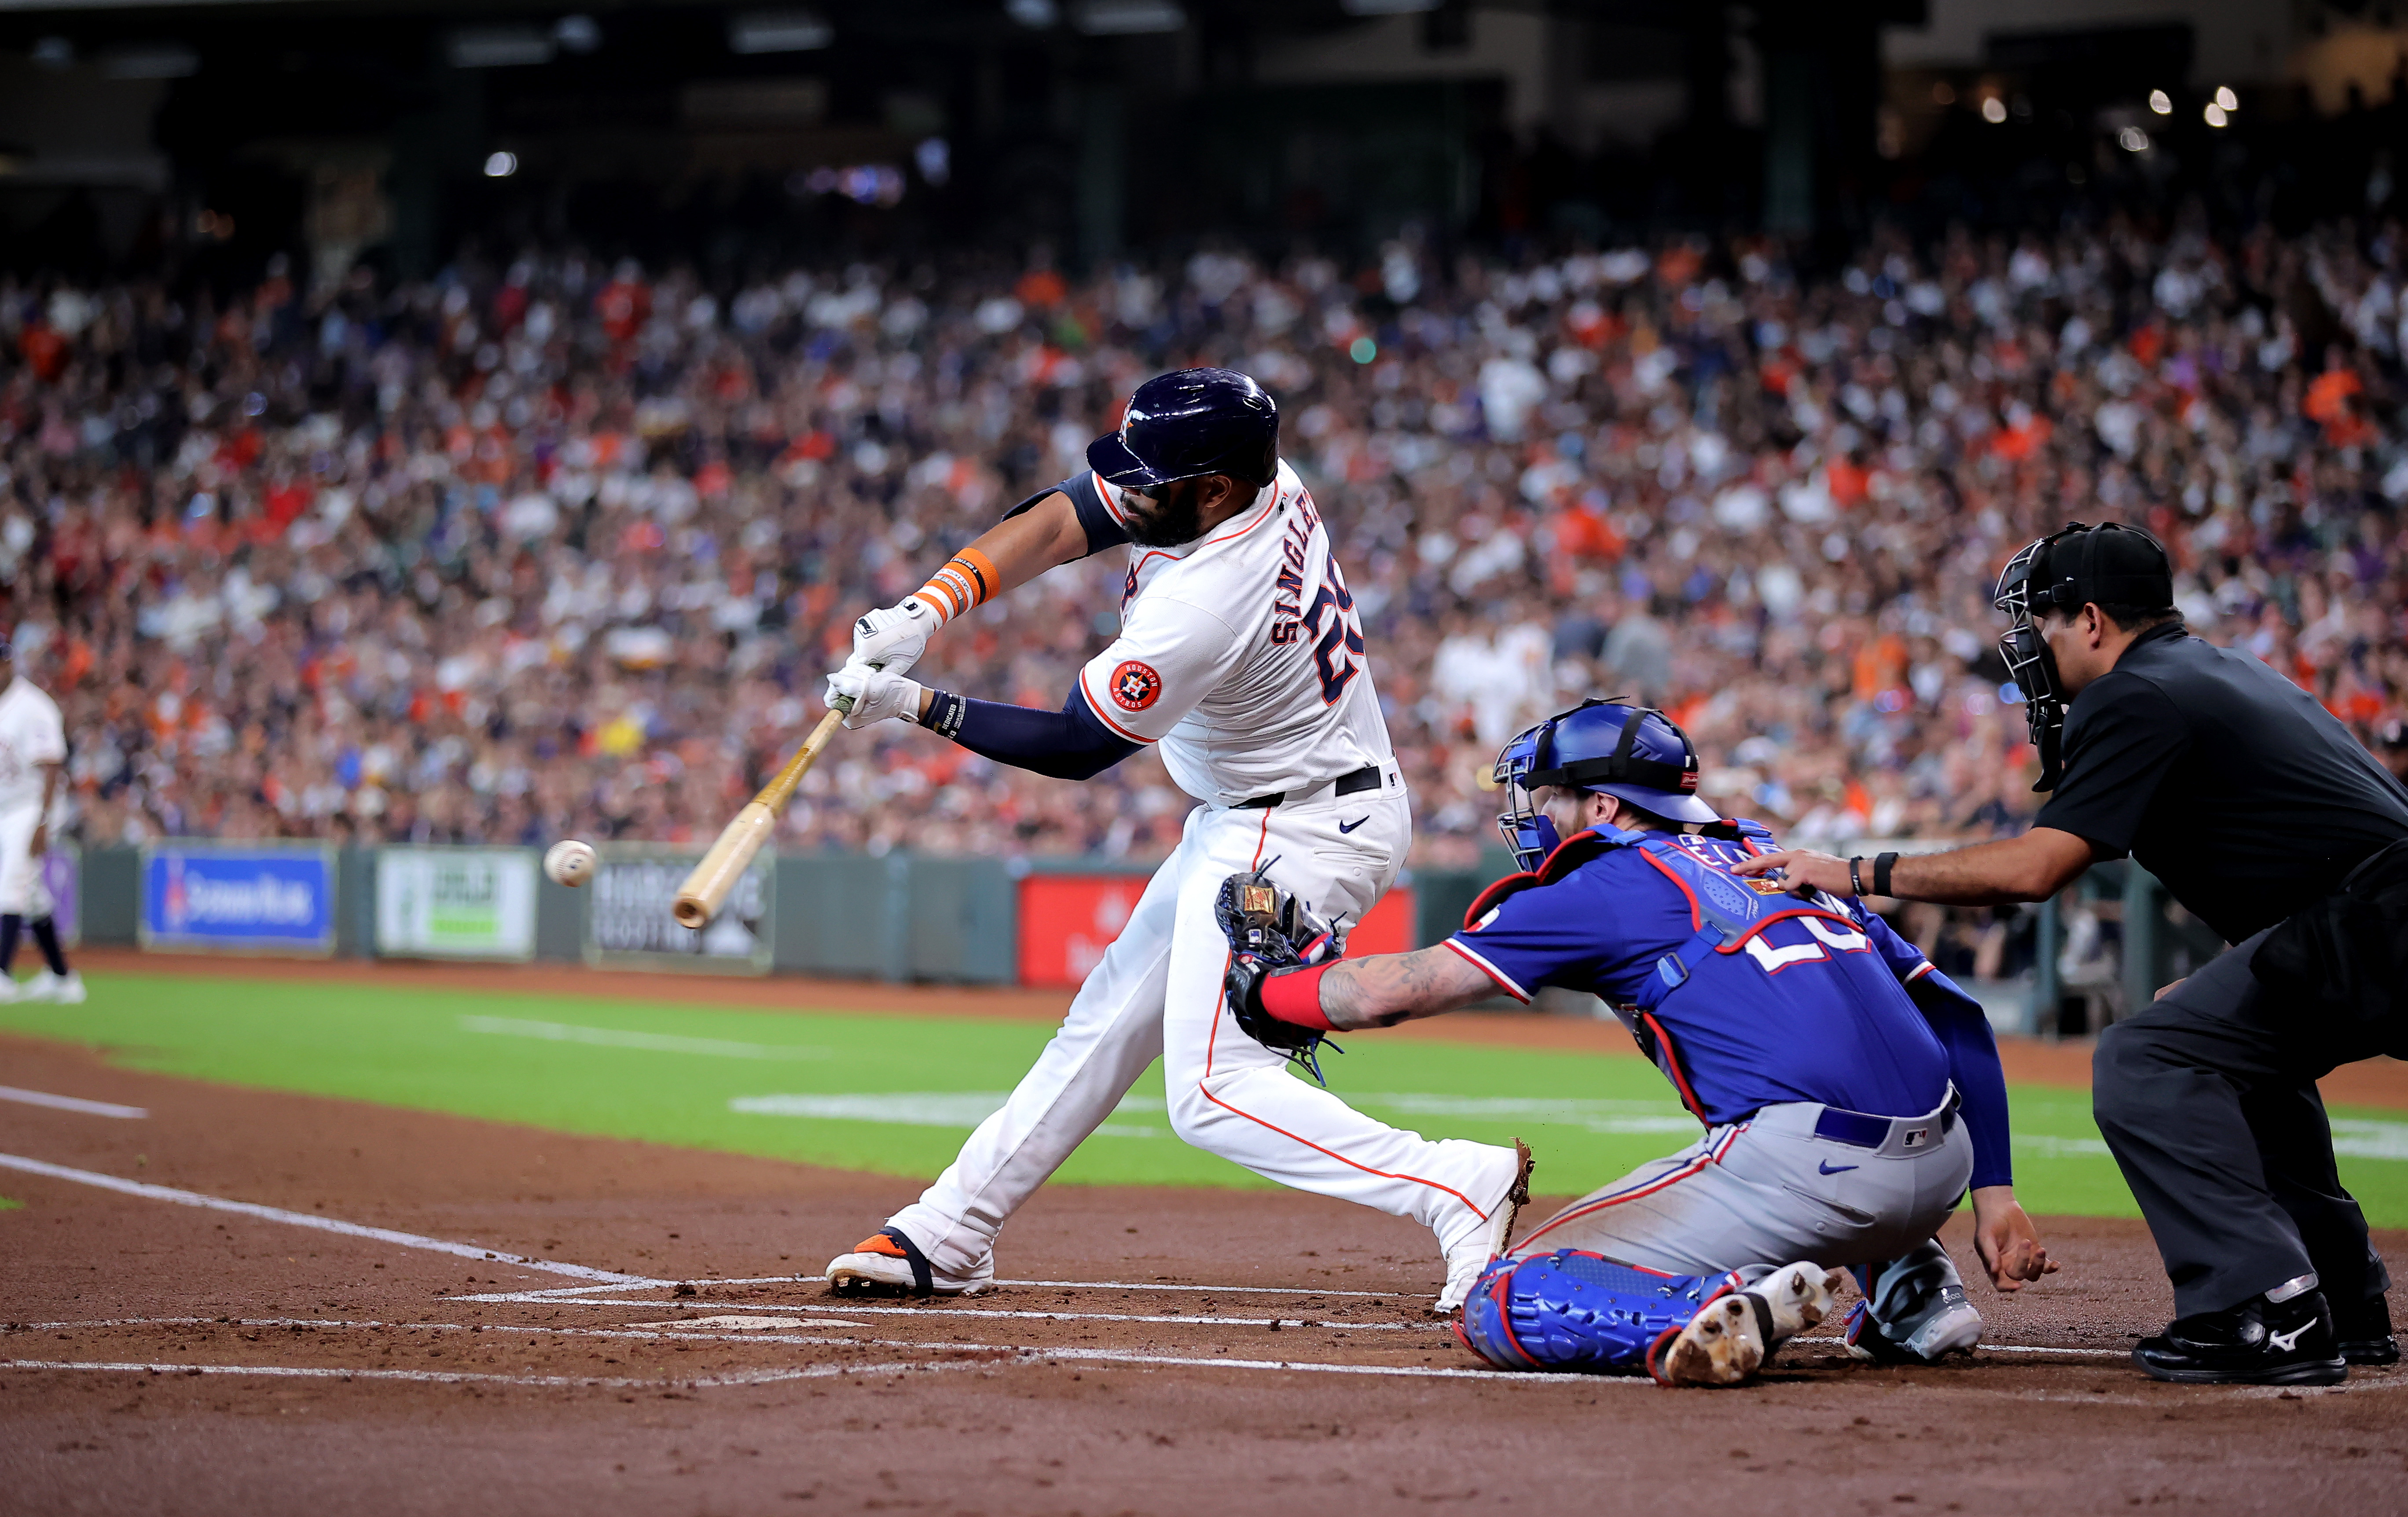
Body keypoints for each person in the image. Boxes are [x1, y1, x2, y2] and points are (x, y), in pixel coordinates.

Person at [815, 368, 1531, 1313]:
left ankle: (1455, 1185)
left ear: (1215, 490)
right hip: (1269, 807)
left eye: (1154, 479)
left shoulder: (1208, 600)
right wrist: (930, 608)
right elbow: (1070, 513)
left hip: (1298, 825)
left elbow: (1079, 747)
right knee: (1106, 1023)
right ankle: (951, 1229)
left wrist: (917, 705)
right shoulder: (1250, 480)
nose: (1131, 490)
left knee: (1212, 1090)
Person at [1738, 521, 2408, 1387]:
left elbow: (2034, 870)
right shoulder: (2217, 667)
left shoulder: (2135, 694)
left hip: (2375, 916)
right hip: (2367, 913)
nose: (2035, 650)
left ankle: (2266, 1310)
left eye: (2044, 626)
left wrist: (1852, 872)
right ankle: (2345, 1301)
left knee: (2146, 1058)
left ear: (2091, 621)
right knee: (2219, 1047)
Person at [1217, 697, 2054, 1383]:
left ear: (1606, 807)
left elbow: (1396, 990)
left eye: (1549, 798)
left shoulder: (1609, 880)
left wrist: (1274, 988)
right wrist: (1996, 1192)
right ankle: (1914, 1288)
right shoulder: (1767, 851)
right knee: (1839, 1086)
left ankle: (1734, 1304)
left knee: (1500, 1298)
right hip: (1944, 1163)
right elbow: (1958, 1017)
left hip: (1810, 1172)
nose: (1537, 816)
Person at [0, 636, 80, 1004]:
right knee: (31, 896)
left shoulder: (33, 706)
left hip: (35, 805)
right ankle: (63, 979)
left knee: (11, 884)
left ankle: (2, 974)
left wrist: (43, 822)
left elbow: (51, 766)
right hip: (6, 806)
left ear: (9, 664)